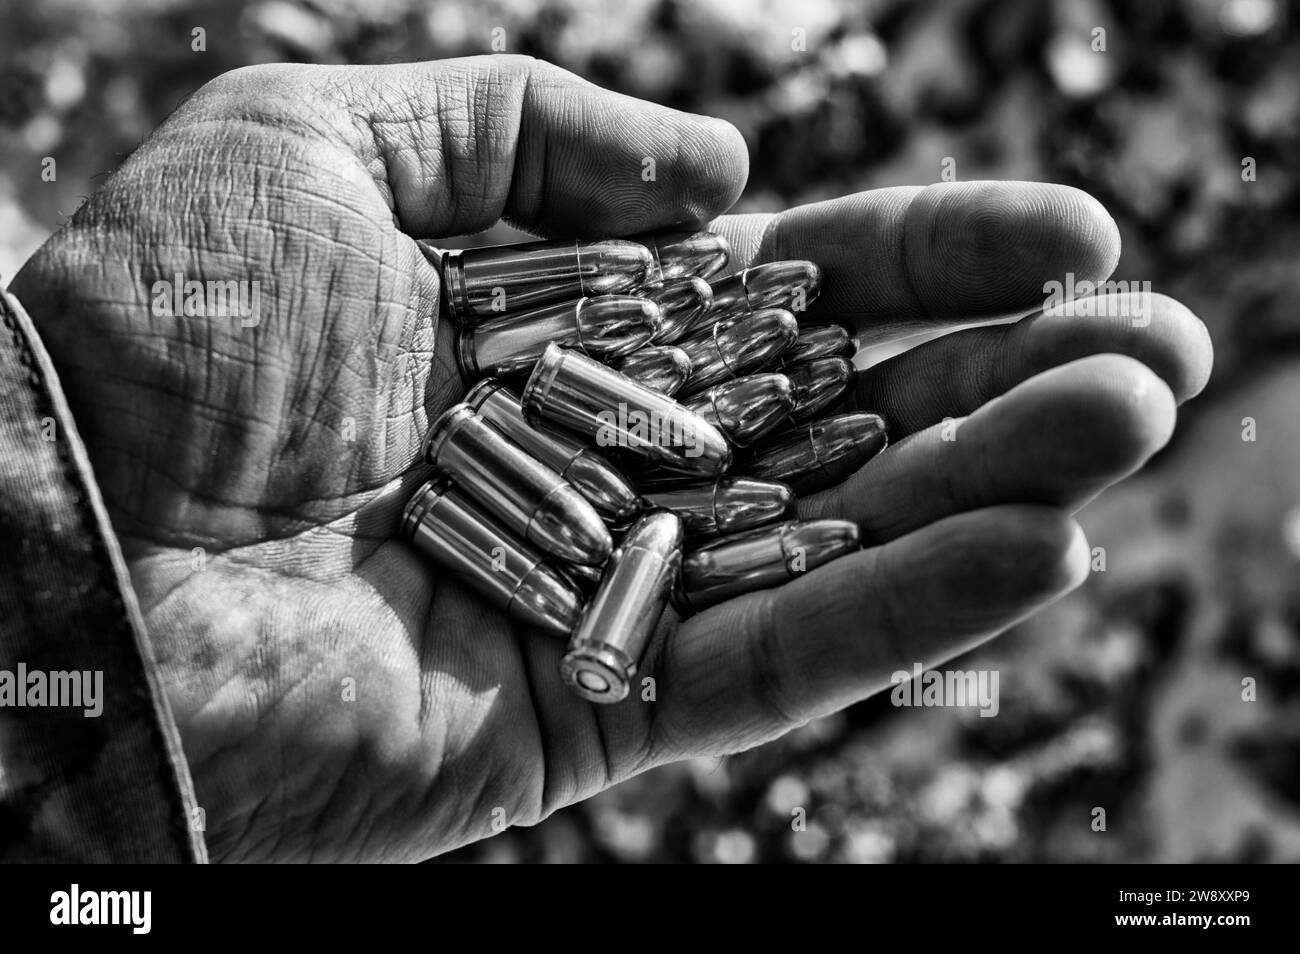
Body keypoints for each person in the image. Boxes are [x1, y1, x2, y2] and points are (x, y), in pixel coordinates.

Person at [0, 56, 1212, 863]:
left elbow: (667, 484)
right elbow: (642, 494)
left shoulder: (650, 479)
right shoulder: (609, 484)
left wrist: (68, 536)